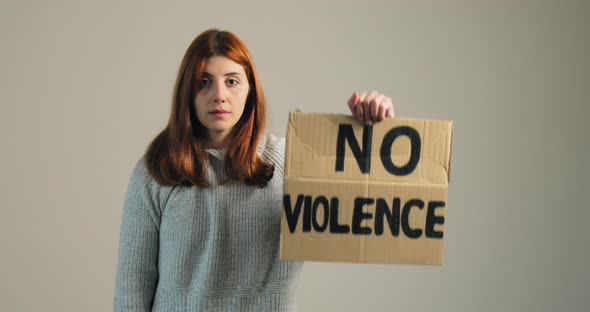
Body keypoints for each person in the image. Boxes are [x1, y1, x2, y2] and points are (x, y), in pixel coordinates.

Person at [114, 28, 394, 312]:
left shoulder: (292, 161)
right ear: (187, 92)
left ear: (250, 89)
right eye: (203, 82)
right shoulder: (156, 170)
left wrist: (375, 129)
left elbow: (367, 212)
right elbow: (131, 291)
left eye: (232, 81)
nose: (219, 95)